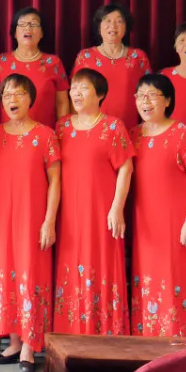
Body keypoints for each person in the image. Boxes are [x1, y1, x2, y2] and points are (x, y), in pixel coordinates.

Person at [0, 74, 61, 372]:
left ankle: (30, 344)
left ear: (31, 99)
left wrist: (49, 221)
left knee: (31, 275)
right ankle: (14, 342)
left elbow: (55, 181)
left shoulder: (45, 135)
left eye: (18, 94)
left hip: (33, 218)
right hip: (2, 218)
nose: (11, 100)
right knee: (6, 274)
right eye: (6, 95)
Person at [53, 68, 134, 336]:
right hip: (68, 215)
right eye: (74, 88)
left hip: (101, 213)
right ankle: (70, 335)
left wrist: (117, 207)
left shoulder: (113, 126)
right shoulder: (62, 127)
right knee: (70, 266)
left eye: (84, 88)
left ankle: (104, 336)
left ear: (100, 95)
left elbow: (126, 168)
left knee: (102, 266)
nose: (76, 93)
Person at [129, 74, 186, 338]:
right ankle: (147, 343)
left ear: (168, 100)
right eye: (140, 96)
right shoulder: (133, 135)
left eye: (152, 95)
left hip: (176, 223)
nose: (145, 102)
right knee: (146, 279)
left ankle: (178, 342)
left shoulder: (182, 133)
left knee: (174, 279)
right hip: (144, 224)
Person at [73, 3, 152, 130]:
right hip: (92, 128)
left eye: (119, 21)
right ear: (99, 27)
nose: (113, 25)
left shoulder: (138, 57)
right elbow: (75, 95)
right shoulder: (85, 57)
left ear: (126, 27)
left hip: (131, 128)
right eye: (107, 21)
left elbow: (150, 94)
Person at [0, 7, 70, 128]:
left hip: (44, 135)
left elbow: (62, 103)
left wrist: (61, 132)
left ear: (42, 33)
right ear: (14, 33)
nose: (28, 28)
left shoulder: (53, 63)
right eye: (22, 24)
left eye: (33, 24)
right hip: (7, 134)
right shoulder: (0, 62)